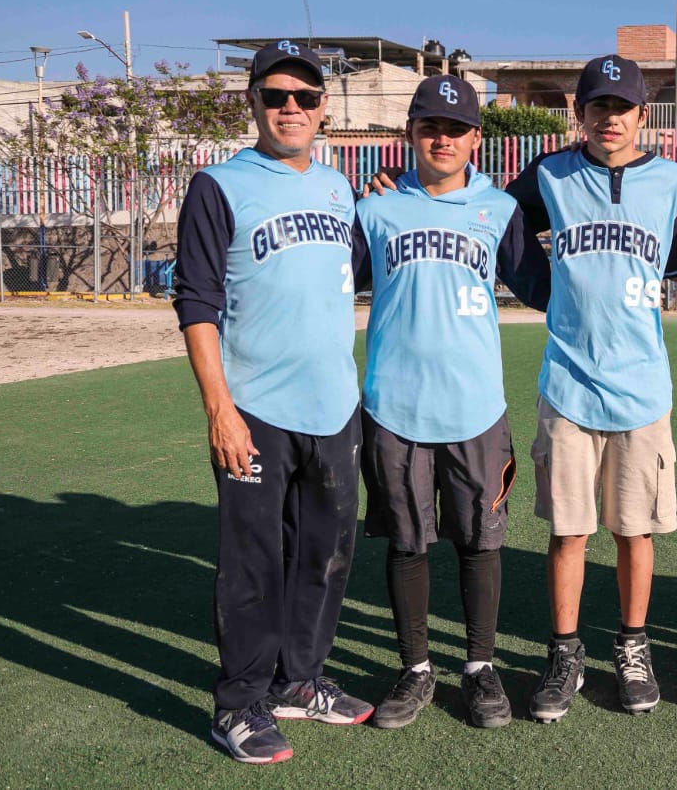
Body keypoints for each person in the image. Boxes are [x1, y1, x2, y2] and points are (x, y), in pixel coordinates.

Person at [174, 41, 373, 764]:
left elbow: (350, 271)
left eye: (307, 97)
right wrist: (218, 408)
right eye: (277, 95)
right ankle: (239, 702)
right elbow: (195, 301)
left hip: (333, 405)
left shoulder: (338, 188)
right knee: (254, 559)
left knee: (325, 555)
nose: (292, 108)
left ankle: (301, 680)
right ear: (251, 102)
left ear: (325, 109)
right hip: (254, 404)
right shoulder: (218, 186)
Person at [352, 75, 550, 731]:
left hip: (475, 408)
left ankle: (479, 667)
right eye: (430, 125)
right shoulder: (375, 208)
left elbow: (544, 286)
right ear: (410, 133)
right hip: (395, 406)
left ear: (475, 137)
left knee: (479, 542)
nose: (443, 138)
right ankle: (414, 669)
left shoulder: (499, 208)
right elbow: (330, 281)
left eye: (456, 127)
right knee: (407, 545)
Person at [514, 55, 677, 721]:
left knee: (634, 531)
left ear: (642, 116)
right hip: (568, 381)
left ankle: (632, 645)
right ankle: (565, 652)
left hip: (642, 388)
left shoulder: (670, 181)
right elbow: (493, 218)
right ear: (580, 115)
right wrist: (540, 289)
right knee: (569, 531)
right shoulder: (551, 174)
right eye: (598, 107)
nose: (609, 118)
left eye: (622, 108)